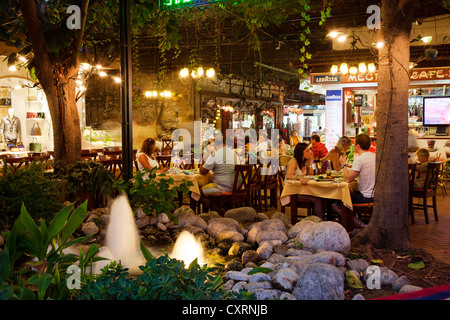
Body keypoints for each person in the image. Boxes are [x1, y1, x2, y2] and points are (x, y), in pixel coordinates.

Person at [337, 133, 375, 228]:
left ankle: (361, 225)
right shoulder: (375, 156)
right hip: (376, 196)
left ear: (358, 145)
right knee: (349, 194)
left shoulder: (360, 159)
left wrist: (344, 165)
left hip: (366, 197)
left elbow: (349, 179)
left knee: (338, 202)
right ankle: (357, 222)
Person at [199, 135, 241, 213]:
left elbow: (202, 172)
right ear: (225, 143)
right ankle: (219, 210)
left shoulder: (215, 154)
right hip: (238, 187)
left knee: (197, 192)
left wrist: (204, 158)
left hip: (223, 187)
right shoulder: (233, 153)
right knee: (210, 187)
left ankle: (220, 212)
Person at [286, 142, 328, 219]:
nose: (310, 152)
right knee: (317, 199)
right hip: (294, 191)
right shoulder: (294, 161)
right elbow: (288, 176)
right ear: (301, 152)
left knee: (324, 197)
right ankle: (320, 222)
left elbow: (310, 176)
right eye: (307, 151)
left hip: (304, 189)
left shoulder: (304, 162)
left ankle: (317, 218)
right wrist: (299, 178)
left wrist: (309, 163)